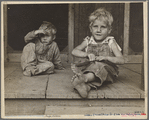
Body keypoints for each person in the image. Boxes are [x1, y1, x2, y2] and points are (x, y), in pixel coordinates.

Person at [71, 8, 125, 98]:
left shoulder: (110, 42)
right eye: (95, 26)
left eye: (103, 27)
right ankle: (86, 87)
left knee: (100, 66)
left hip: (108, 71)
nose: (98, 30)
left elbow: (121, 60)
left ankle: (83, 79)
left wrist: (107, 58)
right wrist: (86, 55)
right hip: (90, 68)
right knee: (91, 66)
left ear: (109, 30)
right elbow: (74, 51)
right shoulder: (88, 40)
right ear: (90, 28)